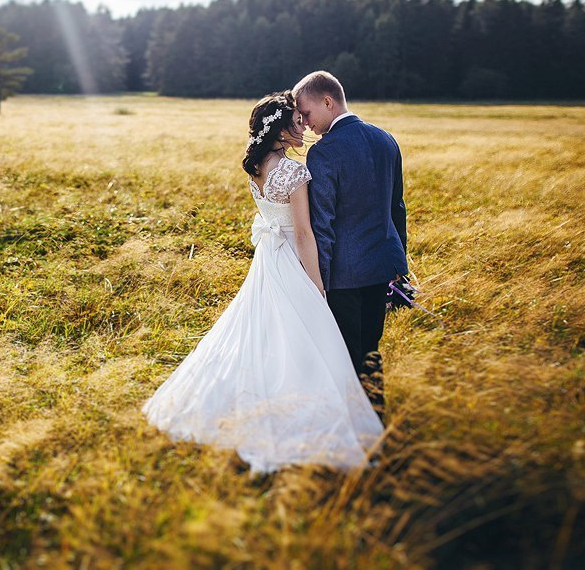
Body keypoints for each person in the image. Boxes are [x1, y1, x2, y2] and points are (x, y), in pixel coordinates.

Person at [142, 91, 384, 473]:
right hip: (290, 259)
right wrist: (316, 285)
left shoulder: (259, 167)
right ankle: (299, 415)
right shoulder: (293, 171)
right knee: (300, 337)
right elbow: (304, 234)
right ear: (282, 130)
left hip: (267, 260)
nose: (304, 126)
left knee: (261, 332)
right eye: (297, 121)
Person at [293, 71, 407, 404]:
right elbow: (396, 207)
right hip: (382, 268)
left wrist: (319, 284)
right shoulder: (386, 138)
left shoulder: (325, 152)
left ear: (328, 101)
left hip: (343, 277)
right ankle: (376, 416)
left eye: (308, 113)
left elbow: (323, 225)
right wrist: (399, 263)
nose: (306, 123)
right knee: (370, 351)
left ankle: (356, 432)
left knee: (344, 356)